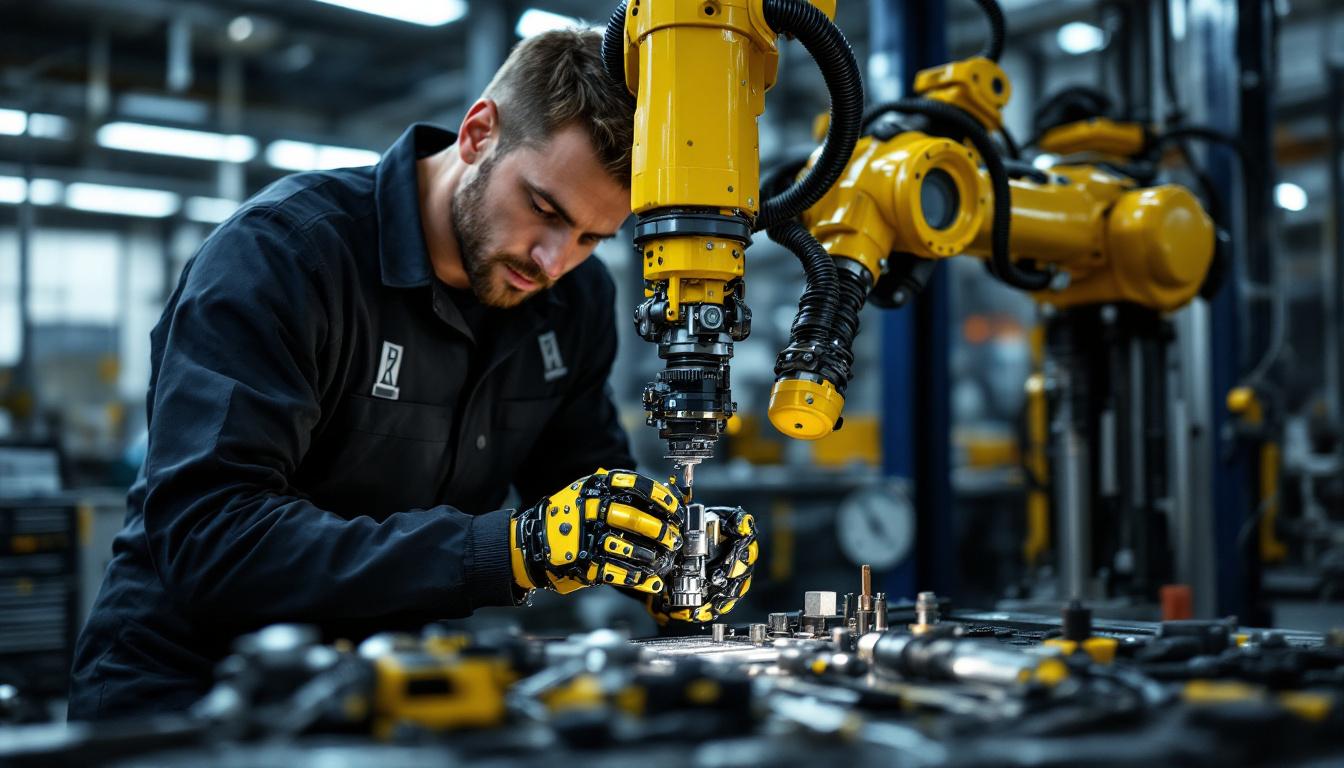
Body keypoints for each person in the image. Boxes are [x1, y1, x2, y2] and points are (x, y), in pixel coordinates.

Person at [68, 28, 756, 720]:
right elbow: (215, 540)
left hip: (388, 692)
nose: (553, 260)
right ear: (479, 133)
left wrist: (665, 555)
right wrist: (511, 551)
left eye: (591, 238)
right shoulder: (283, 257)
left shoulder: (572, 300)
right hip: (188, 696)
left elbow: (582, 485)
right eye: (545, 210)